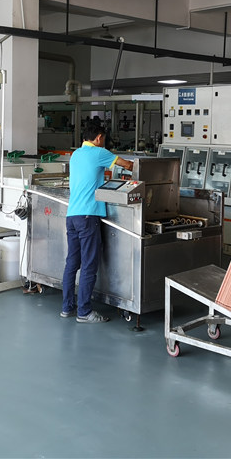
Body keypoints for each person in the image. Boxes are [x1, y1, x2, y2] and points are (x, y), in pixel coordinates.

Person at [61, 122, 133, 323]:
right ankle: (84, 312)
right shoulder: (99, 153)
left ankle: (67, 307)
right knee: (89, 265)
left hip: (72, 215)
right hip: (88, 216)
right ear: (99, 137)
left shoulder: (76, 154)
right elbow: (127, 165)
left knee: (72, 263)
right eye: (104, 139)